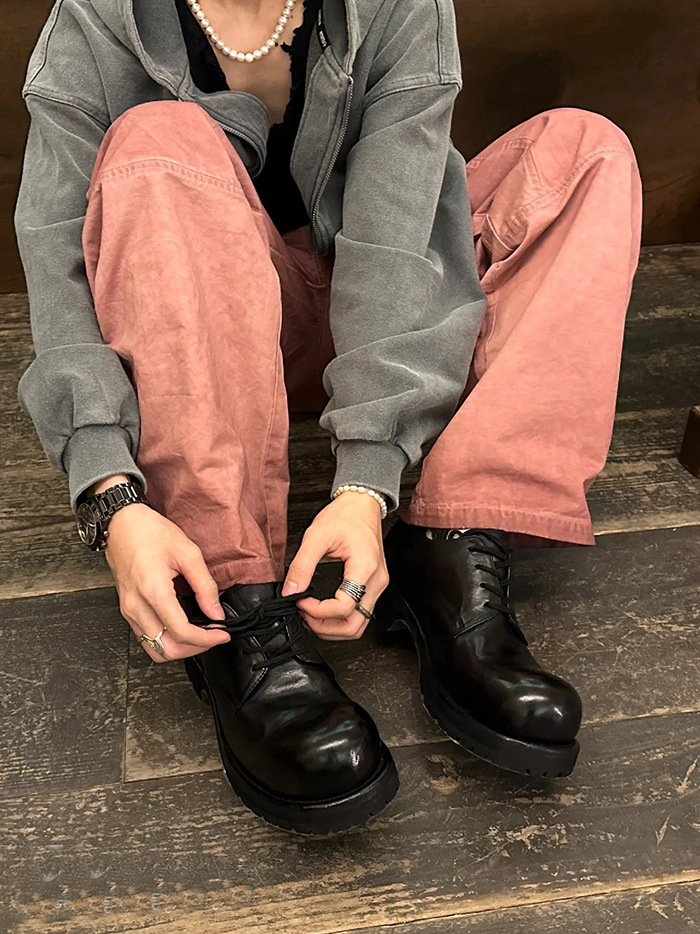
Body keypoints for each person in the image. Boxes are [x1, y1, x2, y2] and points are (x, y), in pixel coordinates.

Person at [15, 0, 643, 834]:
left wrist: (366, 484)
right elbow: (58, 263)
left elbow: (397, 240)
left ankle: (452, 542)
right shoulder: (98, 20)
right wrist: (111, 497)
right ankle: (232, 590)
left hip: (383, 317)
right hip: (207, 336)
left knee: (585, 152)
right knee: (157, 137)